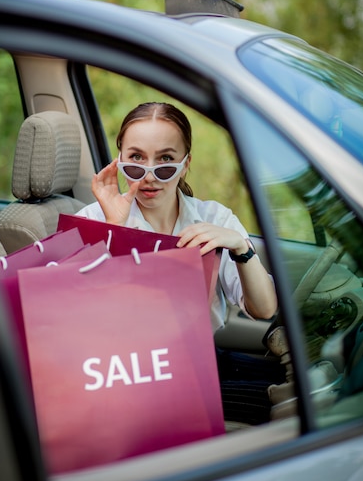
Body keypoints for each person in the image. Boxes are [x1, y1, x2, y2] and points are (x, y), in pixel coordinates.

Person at [76, 102, 283, 423]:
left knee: (305, 382)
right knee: (285, 407)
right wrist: (115, 230)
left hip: (202, 357)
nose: (149, 176)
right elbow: (80, 323)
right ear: (119, 160)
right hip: (132, 375)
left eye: (166, 161)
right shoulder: (91, 220)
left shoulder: (214, 218)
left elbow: (264, 310)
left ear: (186, 165)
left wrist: (240, 247)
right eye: (135, 159)